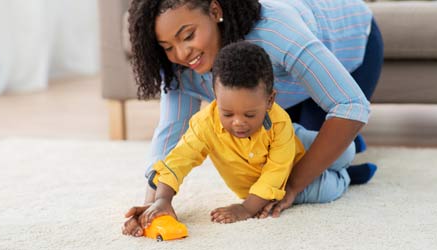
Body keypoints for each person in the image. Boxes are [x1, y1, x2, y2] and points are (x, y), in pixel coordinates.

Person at [122, 0, 382, 236]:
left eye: (188, 35)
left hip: (349, 45)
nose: (181, 54)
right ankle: (344, 154)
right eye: (167, 46)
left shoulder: (275, 32)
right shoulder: (179, 67)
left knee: (312, 154)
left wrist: (290, 187)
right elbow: (172, 134)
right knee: (278, 146)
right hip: (278, 93)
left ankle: (348, 150)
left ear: (215, 11)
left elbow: (350, 105)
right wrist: (152, 202)